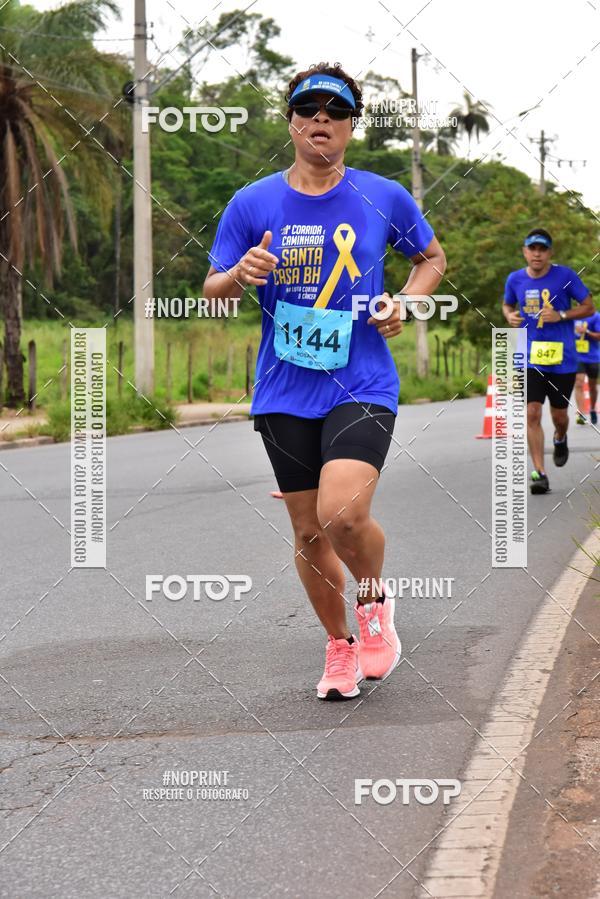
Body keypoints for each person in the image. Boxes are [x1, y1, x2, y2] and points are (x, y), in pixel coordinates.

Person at [203, 62, 446, 699]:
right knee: (310, 530)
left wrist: (406, 301)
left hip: (362, 378)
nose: (321, 120)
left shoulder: (382, 196)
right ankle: (339, 645)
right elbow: (212, 291)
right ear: (290, 121)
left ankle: (374, 603)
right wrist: (240, 273)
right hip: (283, 389)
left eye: (335, 112)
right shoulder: (251, 202)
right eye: (308, 109)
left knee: (344, 511)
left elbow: (430, 258)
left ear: (350, 127)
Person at [503, 229, 594, 495]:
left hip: (562, 358)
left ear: (549, 252)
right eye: (533, 249)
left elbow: (588, 306)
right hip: (529, 356)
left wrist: (562, 314)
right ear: (525, 251)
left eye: (542, 249)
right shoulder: (515, 279)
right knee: (532, 412)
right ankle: (539, 473)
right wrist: (509, 316)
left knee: (559, 416)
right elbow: (507, 305)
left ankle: (560, 436)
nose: (537, 254)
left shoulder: (565, 276)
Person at [574, 312, 600, 425]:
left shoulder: (595, 316)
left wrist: (586, 331)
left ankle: (592, 409)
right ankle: (581, 414)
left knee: (592, 386)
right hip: (578, 356)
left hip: (592, 357)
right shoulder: (574, 315)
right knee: (579, 383)